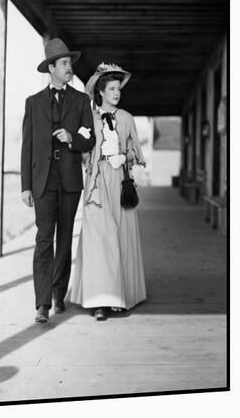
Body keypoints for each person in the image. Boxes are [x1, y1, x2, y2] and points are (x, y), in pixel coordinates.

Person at [21, 38, 96, 324]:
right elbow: (26, 146)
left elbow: (89, 136)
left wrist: (72, 138)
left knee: (64, 240)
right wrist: (26, 185)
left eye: (69, 63)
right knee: (43, 239)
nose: (69, 68)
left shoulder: (80, 100)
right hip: (42, 181)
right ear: (51, 68)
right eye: (64, 63)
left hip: (69, 179)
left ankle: (57, 294)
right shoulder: (33, 103)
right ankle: (41, 304)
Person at [68, 62, 147, 321]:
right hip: (97, 182)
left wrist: (124, 158)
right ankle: (99, 300)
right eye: (112, 89)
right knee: (99, 238)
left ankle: (119, 296)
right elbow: (80, 152)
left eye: (118, 89)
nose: (116, 93)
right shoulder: (87, 118)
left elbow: (134, 152)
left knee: (121, 236)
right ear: (100, 91)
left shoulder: (126, 118)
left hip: (120, 181)